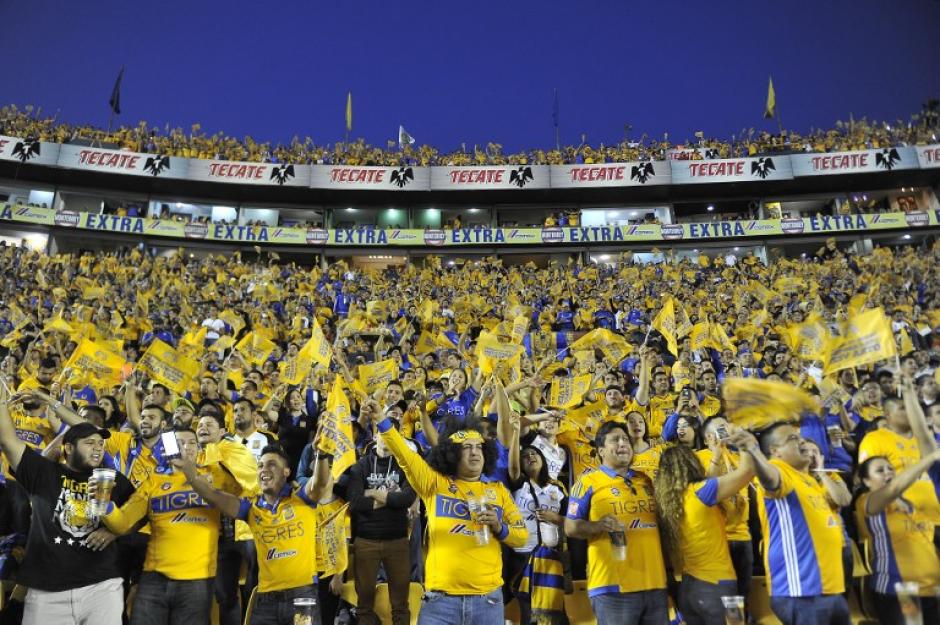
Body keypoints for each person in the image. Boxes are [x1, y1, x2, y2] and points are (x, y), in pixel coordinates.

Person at [367, 404, 527, 625]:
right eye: (466, 447)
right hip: (440, 603)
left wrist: (500, 527)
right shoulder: (434, 484)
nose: (474, 452)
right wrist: (382, 422)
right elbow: (405, 455)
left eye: (479, 447)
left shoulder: (499, 492)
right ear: (452, 455)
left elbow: (522, 537)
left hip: (487, 602)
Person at [0, 385, 133, 625]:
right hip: (46, 588)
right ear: (68, 448)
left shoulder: (111, 478)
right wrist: (1, 405)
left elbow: (138, 512)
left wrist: (115, 529)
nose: (98, 447)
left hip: (101, 587)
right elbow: (8, 441)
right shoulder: (43, 472)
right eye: (89, 443)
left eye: (100, 443)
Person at [172, 443, 332, 625]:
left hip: (302, 597)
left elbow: (319, 482)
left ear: (286, 472)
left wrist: (322, 454)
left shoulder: (302, 499)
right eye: (260, 465)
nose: (264, 469)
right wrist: (190, 473)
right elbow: (212, 495)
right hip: (265, 600)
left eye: (271, 464)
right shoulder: (251, 509)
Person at [98, 426, 243, 625]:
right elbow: (122, 524)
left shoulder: (215, 476)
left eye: (192, 442)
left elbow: (243, 489)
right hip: (153, 578)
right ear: (167, 449)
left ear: (199, 449)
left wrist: (209, 455)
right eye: (179, 443)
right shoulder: (153, 482)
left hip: (198, 579)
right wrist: (103, 505)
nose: (186, 447)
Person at [729, 423, 849, 625]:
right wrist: (754, 450)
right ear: (775, 452)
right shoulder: (780, 470)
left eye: (800, 437)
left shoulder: (808, 480)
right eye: (793, 439)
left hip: (829, 589)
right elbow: (769, 478)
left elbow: (843, 500)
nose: (802, 441)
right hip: (801, 592)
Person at [564, 421, 668, 625]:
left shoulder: (646, 480)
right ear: (601, 450)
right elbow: (570, 528)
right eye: (615, 439)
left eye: (626, 439)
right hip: (613, 589)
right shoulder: (587, 483)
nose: (623, 443)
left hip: (655, 585)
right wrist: (597, 526)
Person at [653, 443, 754, 625]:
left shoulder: (670, 503)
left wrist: (715, 456)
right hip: (721, 587)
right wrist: (745, 441)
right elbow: (748, 471)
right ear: (692, 462)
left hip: (688, 591)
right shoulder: (702, 491)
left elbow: (709, 484)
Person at [346, 409, 417, 625]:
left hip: (397, 540)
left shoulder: (405, 465)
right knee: (364, 603)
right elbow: (355, 502)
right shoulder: (361, 465)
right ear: (376, 435)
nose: (386, 438)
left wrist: (373, 493)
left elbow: (407, 498)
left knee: (400, 604)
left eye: (392, 434)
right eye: (383, 434)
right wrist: (389, 497)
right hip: (366, 540)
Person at [854, 448, 940, 625]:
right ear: (866, 481)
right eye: (880, 470)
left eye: (890, 468)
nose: (887, 472)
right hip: (901, 590)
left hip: (931, 587)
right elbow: (894, 487)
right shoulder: (867, 501)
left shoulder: (911, 505)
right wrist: (930, 456)